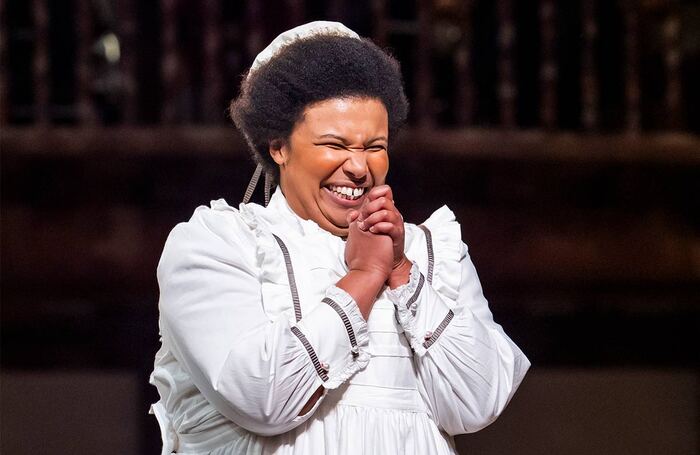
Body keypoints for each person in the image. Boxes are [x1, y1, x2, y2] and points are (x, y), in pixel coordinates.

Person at [150, 21, 529, 455]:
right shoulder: (220, 245)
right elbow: (263, 400)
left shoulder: (432, 251)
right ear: (278, 145)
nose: (358, 167)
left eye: (374, 146)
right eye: (335, 144)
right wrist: (367, 274)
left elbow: (478, 404)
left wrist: (403, 271)